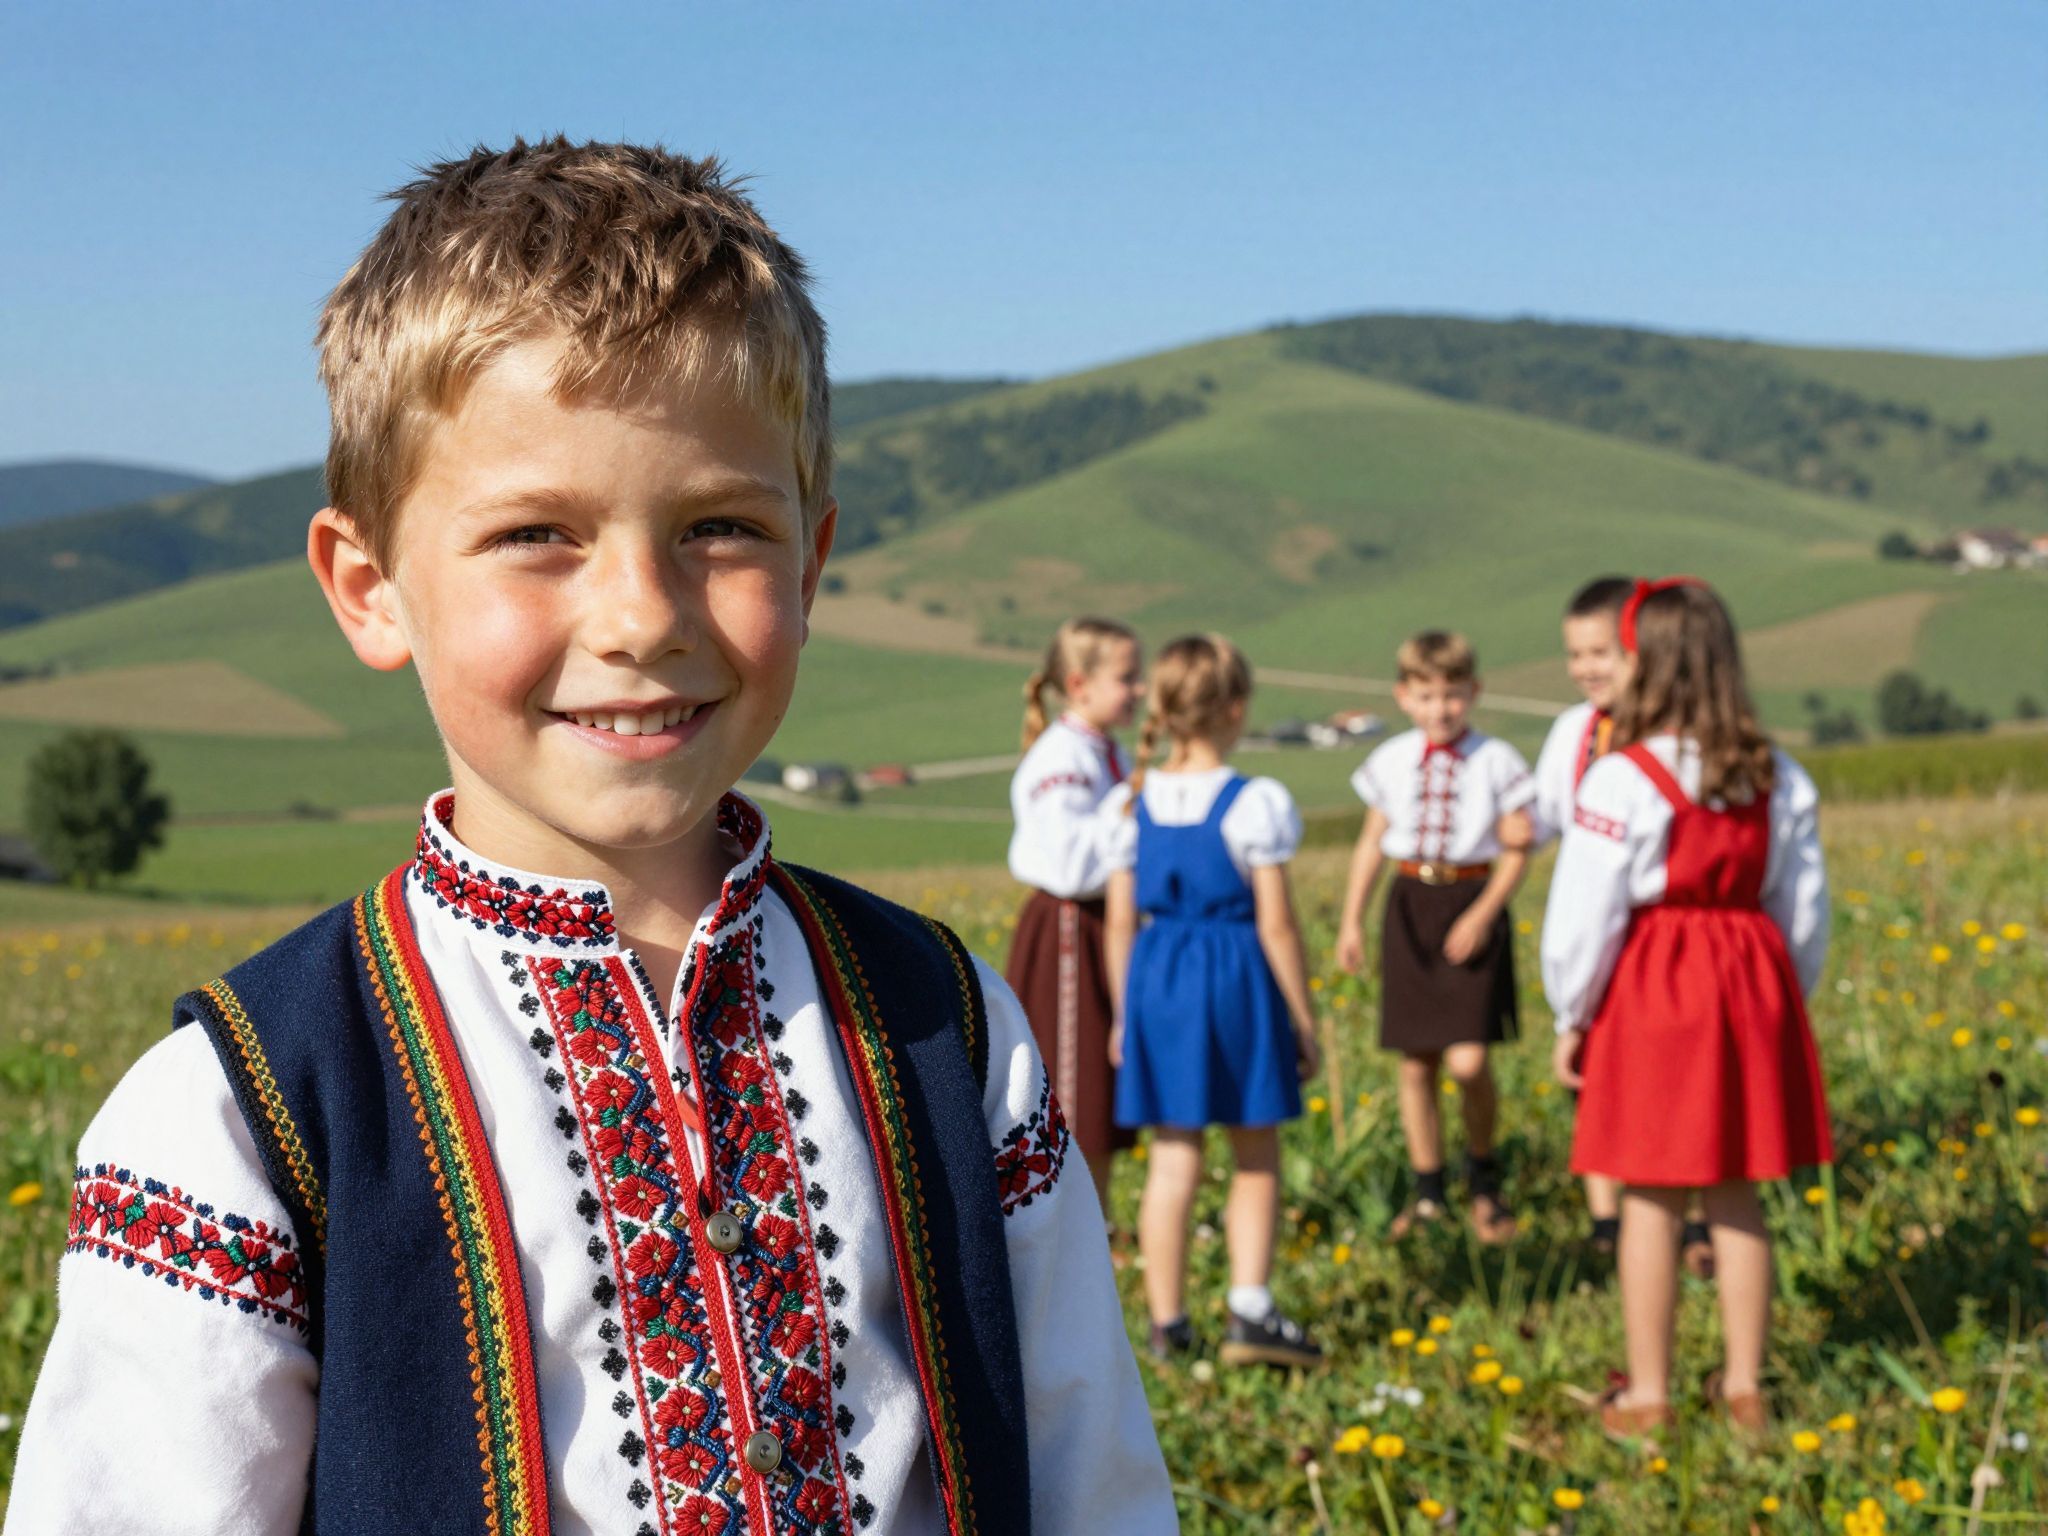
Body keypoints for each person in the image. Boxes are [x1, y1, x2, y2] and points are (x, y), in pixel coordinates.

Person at [6, 139, 1176, 1536]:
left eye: (722, 528)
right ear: (371, 589)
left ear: (813, 561)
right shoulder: (243, 1116)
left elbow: (1096, 1485)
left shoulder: (947, 1030)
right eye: (539, 534)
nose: (643, 614)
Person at [1543, 578, 1831, 1444]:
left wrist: (1572, 1012)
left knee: (1650, 1197)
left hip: (1656, 985)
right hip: (1750, 976)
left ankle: (1651, 1394)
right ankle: (1745, 1386)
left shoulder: (1622, 780)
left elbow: (1583, 918)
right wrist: (1785, 996)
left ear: (1647, 664)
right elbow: (1803, 910)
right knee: (1736, 1192)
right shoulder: (1776, 773)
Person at [1101, 635, 1323, 1370]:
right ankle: (1250, 1307)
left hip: (1159, 982)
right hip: (1235, 978)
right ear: (1234, 709)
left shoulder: (1130, 800)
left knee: (1174, 1155)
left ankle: (1168, 1324)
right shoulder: (1255, 801)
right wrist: (1305, 1018)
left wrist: (1124, 1017)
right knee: (1255, 1150)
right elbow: (1278, 924)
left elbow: (1121, 922)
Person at [1533, 575, 1717, 1275]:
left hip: (1652, 933)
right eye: (1576, 656)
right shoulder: (1571, 732)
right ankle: (1607, 1216)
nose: (1588, 670)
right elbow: (1549, 812)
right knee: (1605, 1085)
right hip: (1597, 924)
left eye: (1603, 653)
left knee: (1685, 1088)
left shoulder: (1668, 741)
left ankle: (1691, 1218)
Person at [1335, 631, 1533, 1245]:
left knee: (1469, 1060)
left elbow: (1519, 846)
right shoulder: (1391, 760)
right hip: (1410, 903)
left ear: (1472, 692)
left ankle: (1484, 1173)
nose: (1439, 709)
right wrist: (1352, 919)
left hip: (1471, 901)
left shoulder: (1497, 760)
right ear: (1403, 696)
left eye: (1451, 695)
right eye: (1425, 695)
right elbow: (1372, 841)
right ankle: (1428, 1191)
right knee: (1417, 1060)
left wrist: (1485, 913)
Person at [1006, 617, 1144, 1211]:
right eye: (1128, 678)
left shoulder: (1101, 750)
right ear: (1081, 683)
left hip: (1100, 920)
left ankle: (1099, 1215)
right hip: (1070, 925)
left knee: (1098, 1079)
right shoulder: (1061, 758)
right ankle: (1077, 1221)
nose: (1140, 691)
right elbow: (1069, 859)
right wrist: (1130, 812)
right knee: (1074, 1075)